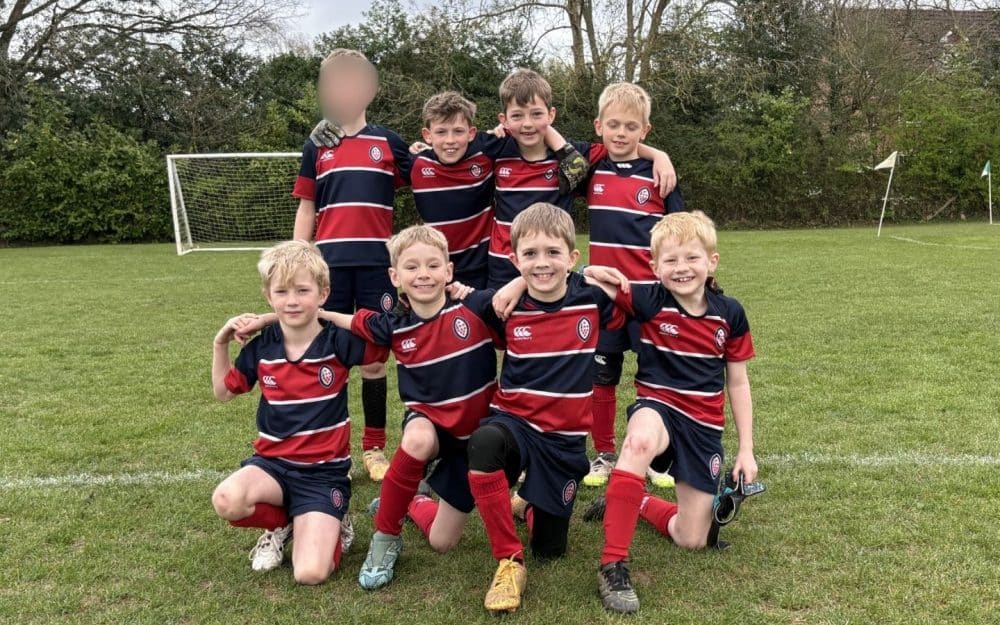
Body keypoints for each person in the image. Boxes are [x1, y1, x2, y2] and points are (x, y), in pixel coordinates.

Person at [582, 211, 757, 614]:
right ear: (654, 267)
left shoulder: (730, 313)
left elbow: (738, 383)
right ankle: (612, 565)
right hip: (658, 407)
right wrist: (594, 269)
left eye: (692, 258)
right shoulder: (649, 299)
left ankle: (637, 501)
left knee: (692, 538)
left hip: (703, 426)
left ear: (712, 261)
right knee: (639, 441)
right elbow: (587, 280)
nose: (682, 268)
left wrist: (746, 450)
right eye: (671, 260)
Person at [315, 225, 504, 590]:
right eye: (412, 267)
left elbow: (518, 303)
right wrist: (312, 312)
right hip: (429, 423)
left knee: (443, 542)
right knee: (416, 438)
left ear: (448, 270)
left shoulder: (474, 306)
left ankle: (411, 502)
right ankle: (385, 537)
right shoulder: (393, 325)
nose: (423, 274)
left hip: (475, 440)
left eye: (433, 265)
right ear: (395, 276)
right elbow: (349, 319)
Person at [465, 203, 628, 613]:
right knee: (484, 443)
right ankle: (509, 560)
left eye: (553, 253)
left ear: (571, 257)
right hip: (515, 424)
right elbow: (450, 301)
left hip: (563, 442)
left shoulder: (594, 298)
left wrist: (594, 273)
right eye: (531, 254)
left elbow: (643, 300)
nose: (542, 263)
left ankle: (530, 503)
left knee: (551, 550)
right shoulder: (502, 304)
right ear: (515, 260)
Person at [209, 241, 387, 584]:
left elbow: (384, 335)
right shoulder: (262, 347)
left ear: (323, 293)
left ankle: (335, 519)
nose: (292, 301)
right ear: (268, 295)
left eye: (303, 291)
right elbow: (223, 392)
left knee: (310, 573)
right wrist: (221, 343)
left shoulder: (338, 342)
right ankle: (283, 523)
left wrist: (326, 315)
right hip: (273, 466)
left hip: (323, 475)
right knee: (226, 500)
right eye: (282, 292)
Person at [291, 48, 412, 482]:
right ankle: (329, 447)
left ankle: (374, 448)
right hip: (329, 270)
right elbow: (307, 206)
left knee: (374, 360)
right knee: (329, 358)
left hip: (378, 269)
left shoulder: (389, 143)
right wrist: (296, 259)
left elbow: (435, 173)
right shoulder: (317, 145)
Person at [582, 82, 686, 489]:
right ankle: (606, 453)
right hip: (603, 296)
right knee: (602, 376)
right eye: (613, 125)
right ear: (599, 126)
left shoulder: (660, 175)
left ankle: (656, 455)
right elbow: (543, 144)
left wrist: (659, 156)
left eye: (631, 126)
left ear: (645, 130)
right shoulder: (590, 168)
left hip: (649, 298)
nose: (621, 133)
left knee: (656, 377)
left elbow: (680, 234)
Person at [486, 68, 677, 289]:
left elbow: (618, 146)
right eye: (517, 116)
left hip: (552, 269)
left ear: (551, 115)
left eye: (536, 114)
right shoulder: (496, 148)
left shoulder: (576, 155)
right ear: (505, 119)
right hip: (503, 266)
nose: (527, 123)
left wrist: (659, 156)